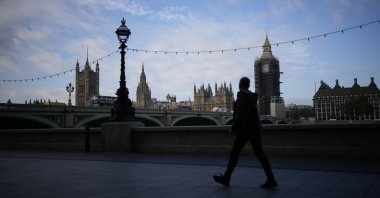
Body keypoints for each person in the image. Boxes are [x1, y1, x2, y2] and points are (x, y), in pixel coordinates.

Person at [213, 77, 278, 188]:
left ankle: (226, 178)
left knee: (235, 153)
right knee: (260, 154)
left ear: (241, 84)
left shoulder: (242, 96)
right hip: (254, 129)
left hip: (244, 130)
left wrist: (234, 128)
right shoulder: (251, 97)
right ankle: (271, 179)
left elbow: (240, 115)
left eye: (239, 82)